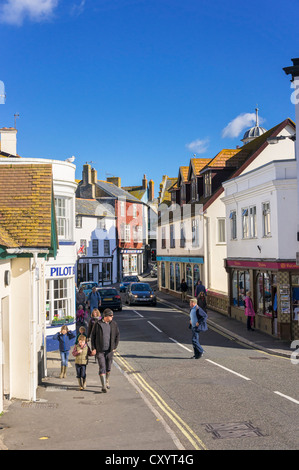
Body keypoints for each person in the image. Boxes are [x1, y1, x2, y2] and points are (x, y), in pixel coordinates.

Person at [91, 308, 120, 393]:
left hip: (110, 350)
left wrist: (114, 347)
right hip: (100, 350)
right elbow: (93, 337)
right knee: (102, 367)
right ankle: (103, 386)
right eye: (111, 315)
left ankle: (107, 381)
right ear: (106, 316)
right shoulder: (97, 324)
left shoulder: (114, 324)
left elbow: (117, 336)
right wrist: (93, 348)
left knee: (108, 367)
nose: (112, 317)